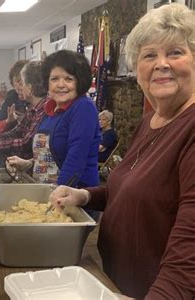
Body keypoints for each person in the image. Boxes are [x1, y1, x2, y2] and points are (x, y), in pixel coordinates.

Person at [49, 4, 195, 298]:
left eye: (175, 52)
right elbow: (129, 188)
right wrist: (86, 195)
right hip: (120, 282)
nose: (161, 64)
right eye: (149, 55)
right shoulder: (150, 121)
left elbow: (190, 242)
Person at [8, 50, 100, 189]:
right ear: (47, 82)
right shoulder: (50, 109)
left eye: (69, 79)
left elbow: (75, 160)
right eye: (54, 79)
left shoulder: (83, 108)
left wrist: (56, 197)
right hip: (47, 192)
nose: (60, 84)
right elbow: (53, 155)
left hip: (72, 196)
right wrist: (28, 163)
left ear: (80, 82)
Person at [0, 61, 47, 161]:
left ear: (29, 88)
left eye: (22, 83)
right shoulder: (32, 109)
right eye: (18, 82)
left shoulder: (43, 109)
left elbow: (26, 143)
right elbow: (17, 131)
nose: (20, 87)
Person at [0, 60, 28, 135]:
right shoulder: (11, 98)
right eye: (17, 81)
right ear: (12, 84)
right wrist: (8, 121)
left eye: (24, 81)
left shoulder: (37, 99)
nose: (21, 85)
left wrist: (27, 121)